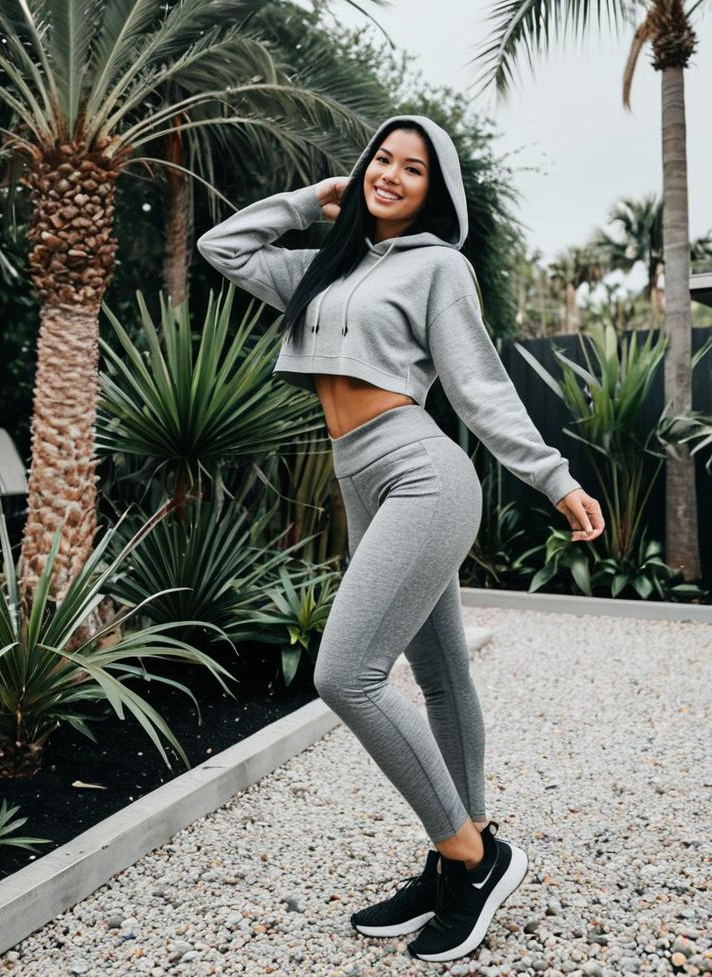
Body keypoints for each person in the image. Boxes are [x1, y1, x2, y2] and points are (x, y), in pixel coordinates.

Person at [196, 114, 605, 963]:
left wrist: (554, 477)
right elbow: (221, 247)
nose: (389, 175)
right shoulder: (323, 267)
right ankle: (455, 860)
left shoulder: (438, 267)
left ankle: (476, 858)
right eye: (381, 159)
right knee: (443, 677)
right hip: (361, 479)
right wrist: (310, 200)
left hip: (422, 473)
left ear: (434, 191)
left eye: (412, 168)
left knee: (345, 674)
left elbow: (480, 386)